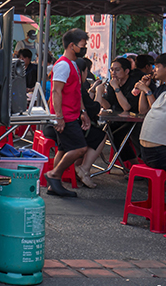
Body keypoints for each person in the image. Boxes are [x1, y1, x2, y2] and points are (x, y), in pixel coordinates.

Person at [43, 28, 91, 198]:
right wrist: (59, 117)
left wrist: (83, 111)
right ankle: (54, 174)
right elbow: (56, 92)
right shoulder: (63, 65)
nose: (84, 48)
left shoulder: (74, 65)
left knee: (63, 150)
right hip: (66, 116)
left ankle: (55, 185)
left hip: (73, 114)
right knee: (80, 148)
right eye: (82, 45)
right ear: (72, 46)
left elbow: (76, 91)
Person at [95, 56, 143, 168]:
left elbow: (127, 107)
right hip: (119, 118)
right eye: (111, 70)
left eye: (117, 70)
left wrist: (117, 88)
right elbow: (109, 105)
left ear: (126, 71)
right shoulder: (113, 83)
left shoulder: (134, 84)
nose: (113, 73)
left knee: (116, 134)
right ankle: (132, 165)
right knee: (108, 132)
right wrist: (99, 93)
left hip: (136, 118)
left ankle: (135, 165)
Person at [74, 58, 107, 188]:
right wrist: (99, 92)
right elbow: (93, 109)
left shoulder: (72, 84)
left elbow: (85, 103)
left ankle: (75, 169)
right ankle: (84, 169)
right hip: (73, 127)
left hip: (62, 124)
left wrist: (92, 90)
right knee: (100, 135)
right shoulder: (79, 87)